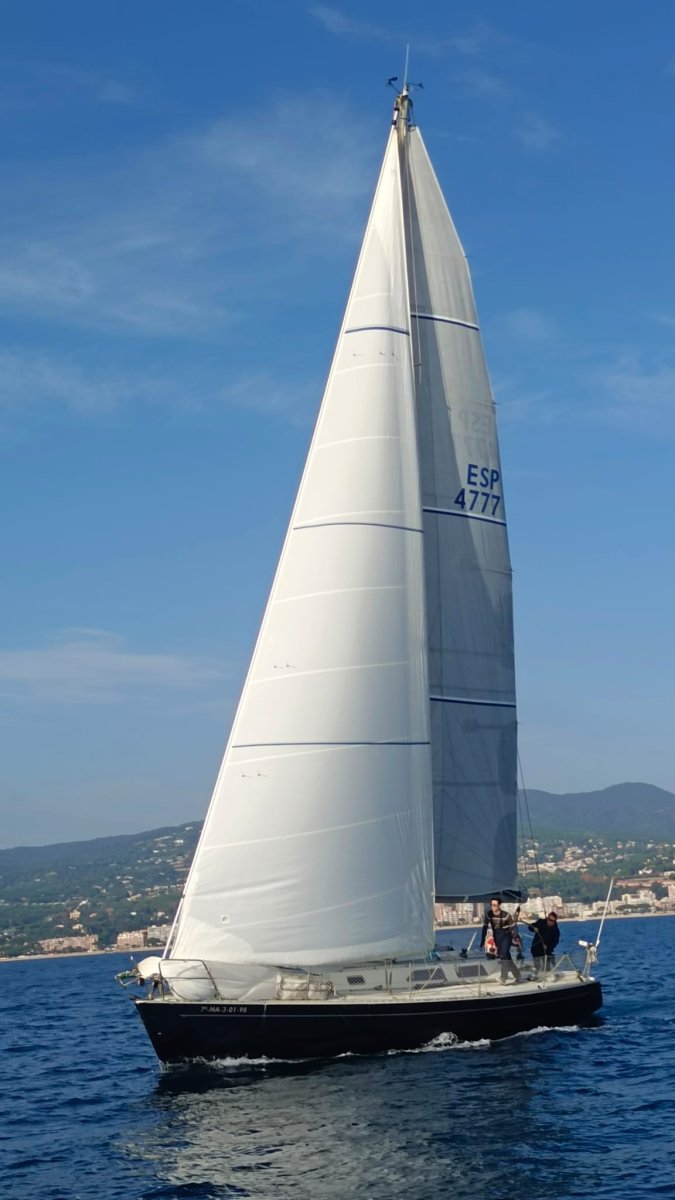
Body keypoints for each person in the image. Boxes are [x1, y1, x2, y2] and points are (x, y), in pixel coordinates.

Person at [480, 897, 521, 984]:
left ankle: (503, 978)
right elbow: (485, 927)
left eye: (494, 905)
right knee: (507, 957)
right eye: (491, 905)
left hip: (506, 936)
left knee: (503, 954)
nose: (492, 907)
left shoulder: (506, 915)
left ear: (499, 905)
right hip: (497, 937)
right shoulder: (488, 915)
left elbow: (514, 927)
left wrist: (515, 936)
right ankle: (518, 975)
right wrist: (482, 939)